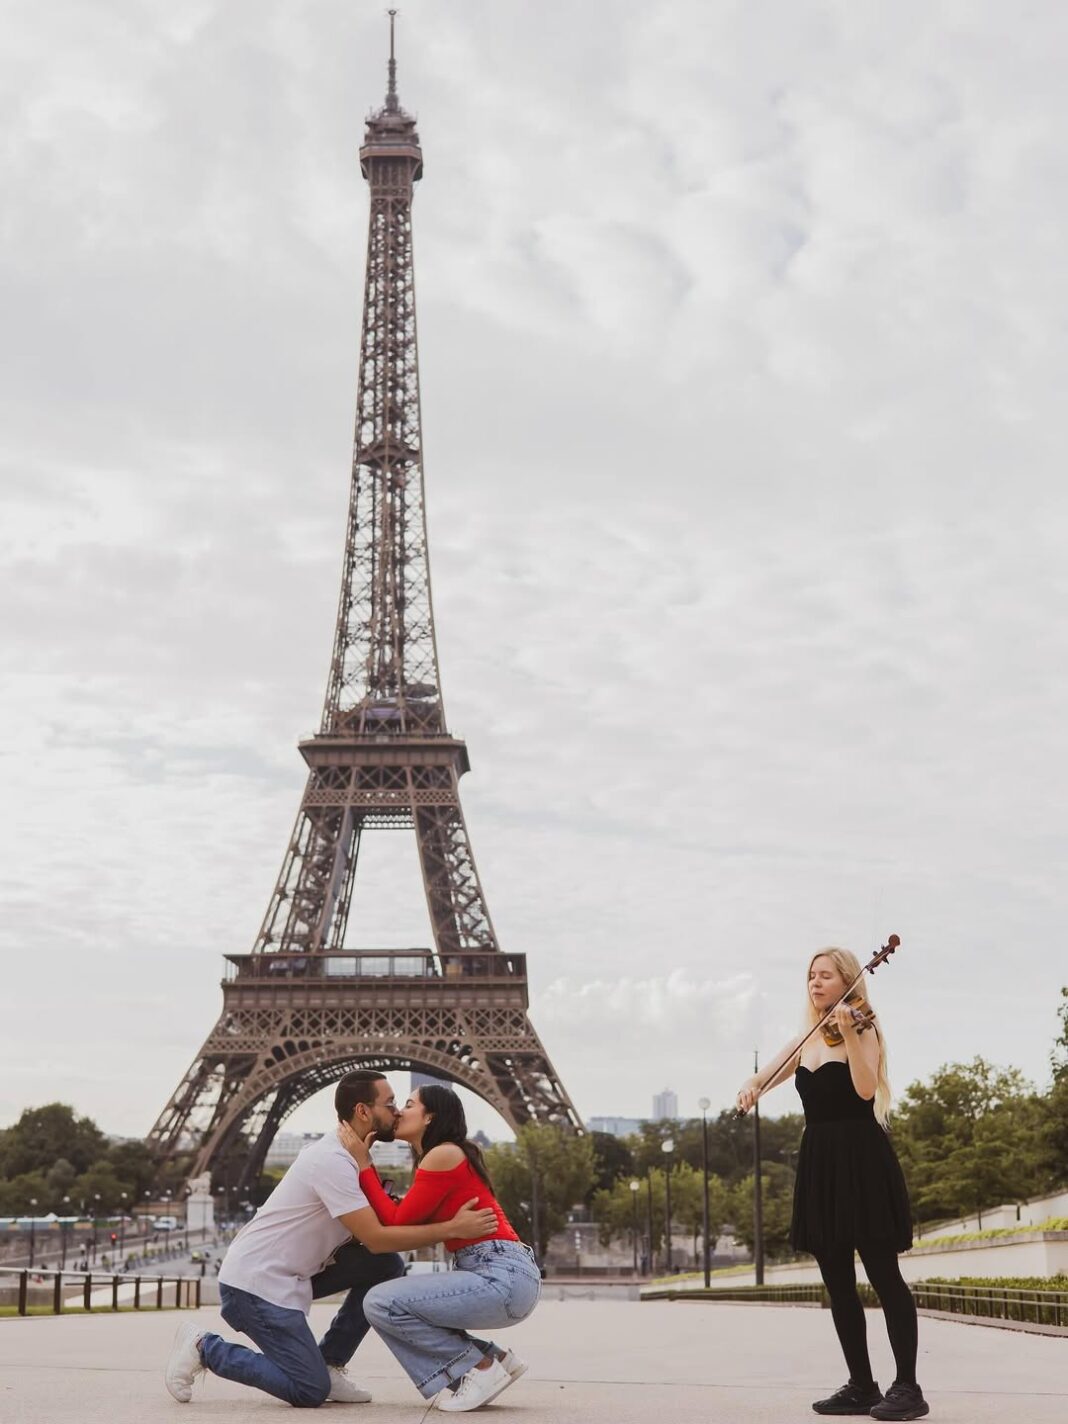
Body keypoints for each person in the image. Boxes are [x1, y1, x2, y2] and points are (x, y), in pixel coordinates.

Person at [165, 1070, 498, 1408]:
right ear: (363, 1111)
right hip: (255, 1284)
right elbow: (377, 1238)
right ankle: (205, 1347)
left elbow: (378, 1234)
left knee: (385, 1266)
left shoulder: (351, 1158)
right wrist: (451, 1229)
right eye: (390, 1104)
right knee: (309, 1390)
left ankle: (330, 1361)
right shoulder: (331, 1161)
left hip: (288, 1274)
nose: (397, 1111)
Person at [736, 948, 929, 1422]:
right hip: (821, 1163)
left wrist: (849, 1033)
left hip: (862, 1161)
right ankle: (862, 1385)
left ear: (848, 981)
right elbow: (766, 1074)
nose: (815, 983)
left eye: (825, 975)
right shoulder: (807, 1037)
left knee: (883, 1275)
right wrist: (751, 1087)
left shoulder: (864, 1029)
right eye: (811, 976)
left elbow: (865, 1090)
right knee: (838, 1282)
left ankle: (908, 1387)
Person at [339, 1084, 540, 1413]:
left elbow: (396, 1221)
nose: (399, 1111)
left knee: (380, 1302)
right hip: (503, 1274)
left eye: (408, 1104)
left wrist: (363, 1164)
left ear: (430, 1117)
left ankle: (481, 1369)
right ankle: (495, 1359)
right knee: (402, 1305)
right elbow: (405, 1219)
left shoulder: (443, 1154)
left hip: (500, 1277)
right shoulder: (443, 1156)